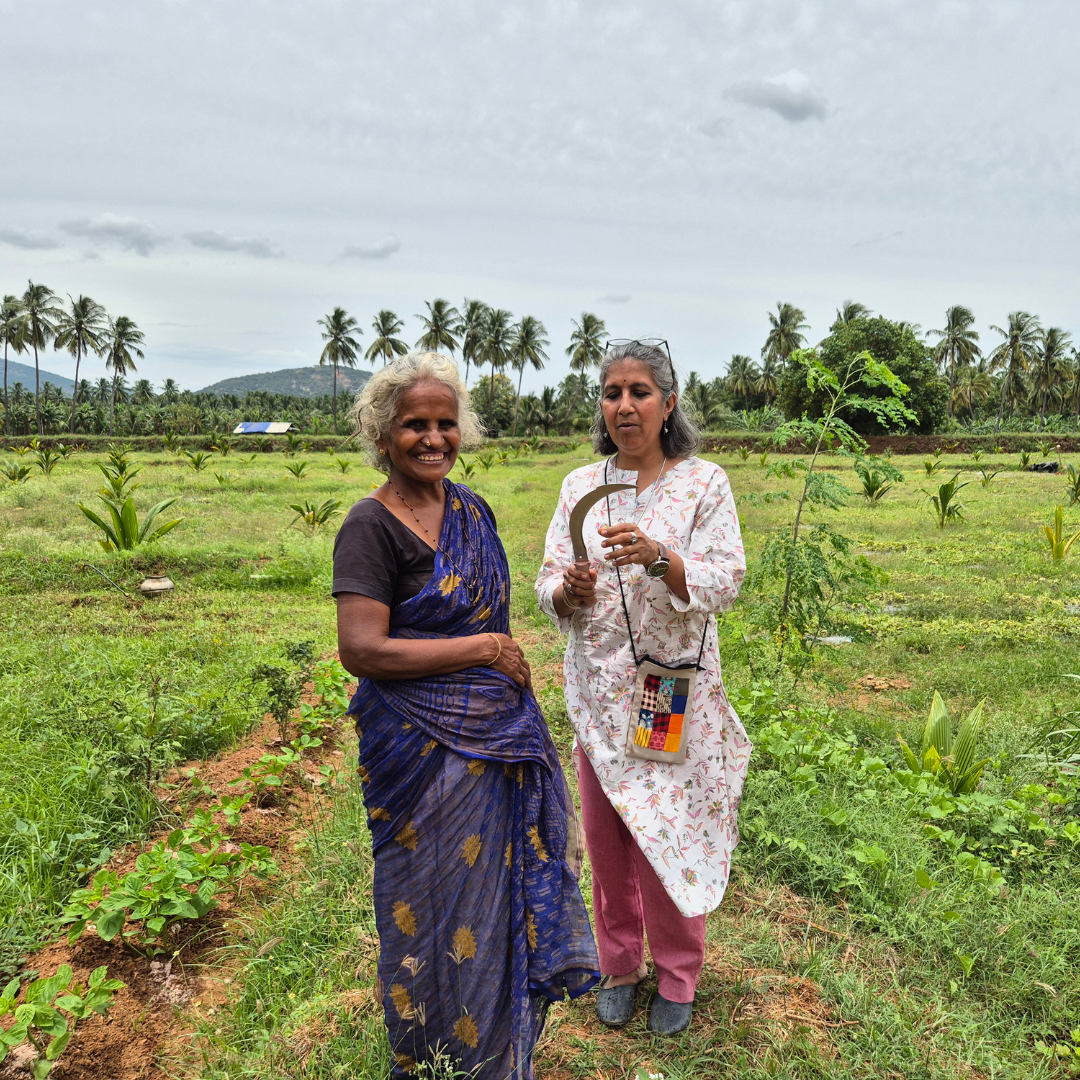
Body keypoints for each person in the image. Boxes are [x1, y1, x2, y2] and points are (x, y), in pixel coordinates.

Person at [334, 352, 599, 1079]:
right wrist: (480, 647)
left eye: (445, 423)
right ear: (383, 435)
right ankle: (428, 1055)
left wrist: (493, 655)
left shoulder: (473, 513)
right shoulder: (369, 526)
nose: (432, 438)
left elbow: (498, 624)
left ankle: (494, 1056)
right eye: (414, 424)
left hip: (491, 744)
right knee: (424, 901)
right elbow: (361, 648)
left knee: (493, 903)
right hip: (412, 749)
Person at [535, 340, 750, 1036]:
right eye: (612, 392)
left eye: (639, 391)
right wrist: (566, 589)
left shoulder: (703, 484)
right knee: (606, 841)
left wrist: (662, 558)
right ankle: (620, 965)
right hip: (598, 697)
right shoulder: (579, 487)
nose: (624, 405)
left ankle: (680, 974)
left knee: (669, 835)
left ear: (669, 402)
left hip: (668, 697)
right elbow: (547, 582)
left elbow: (727, 579)